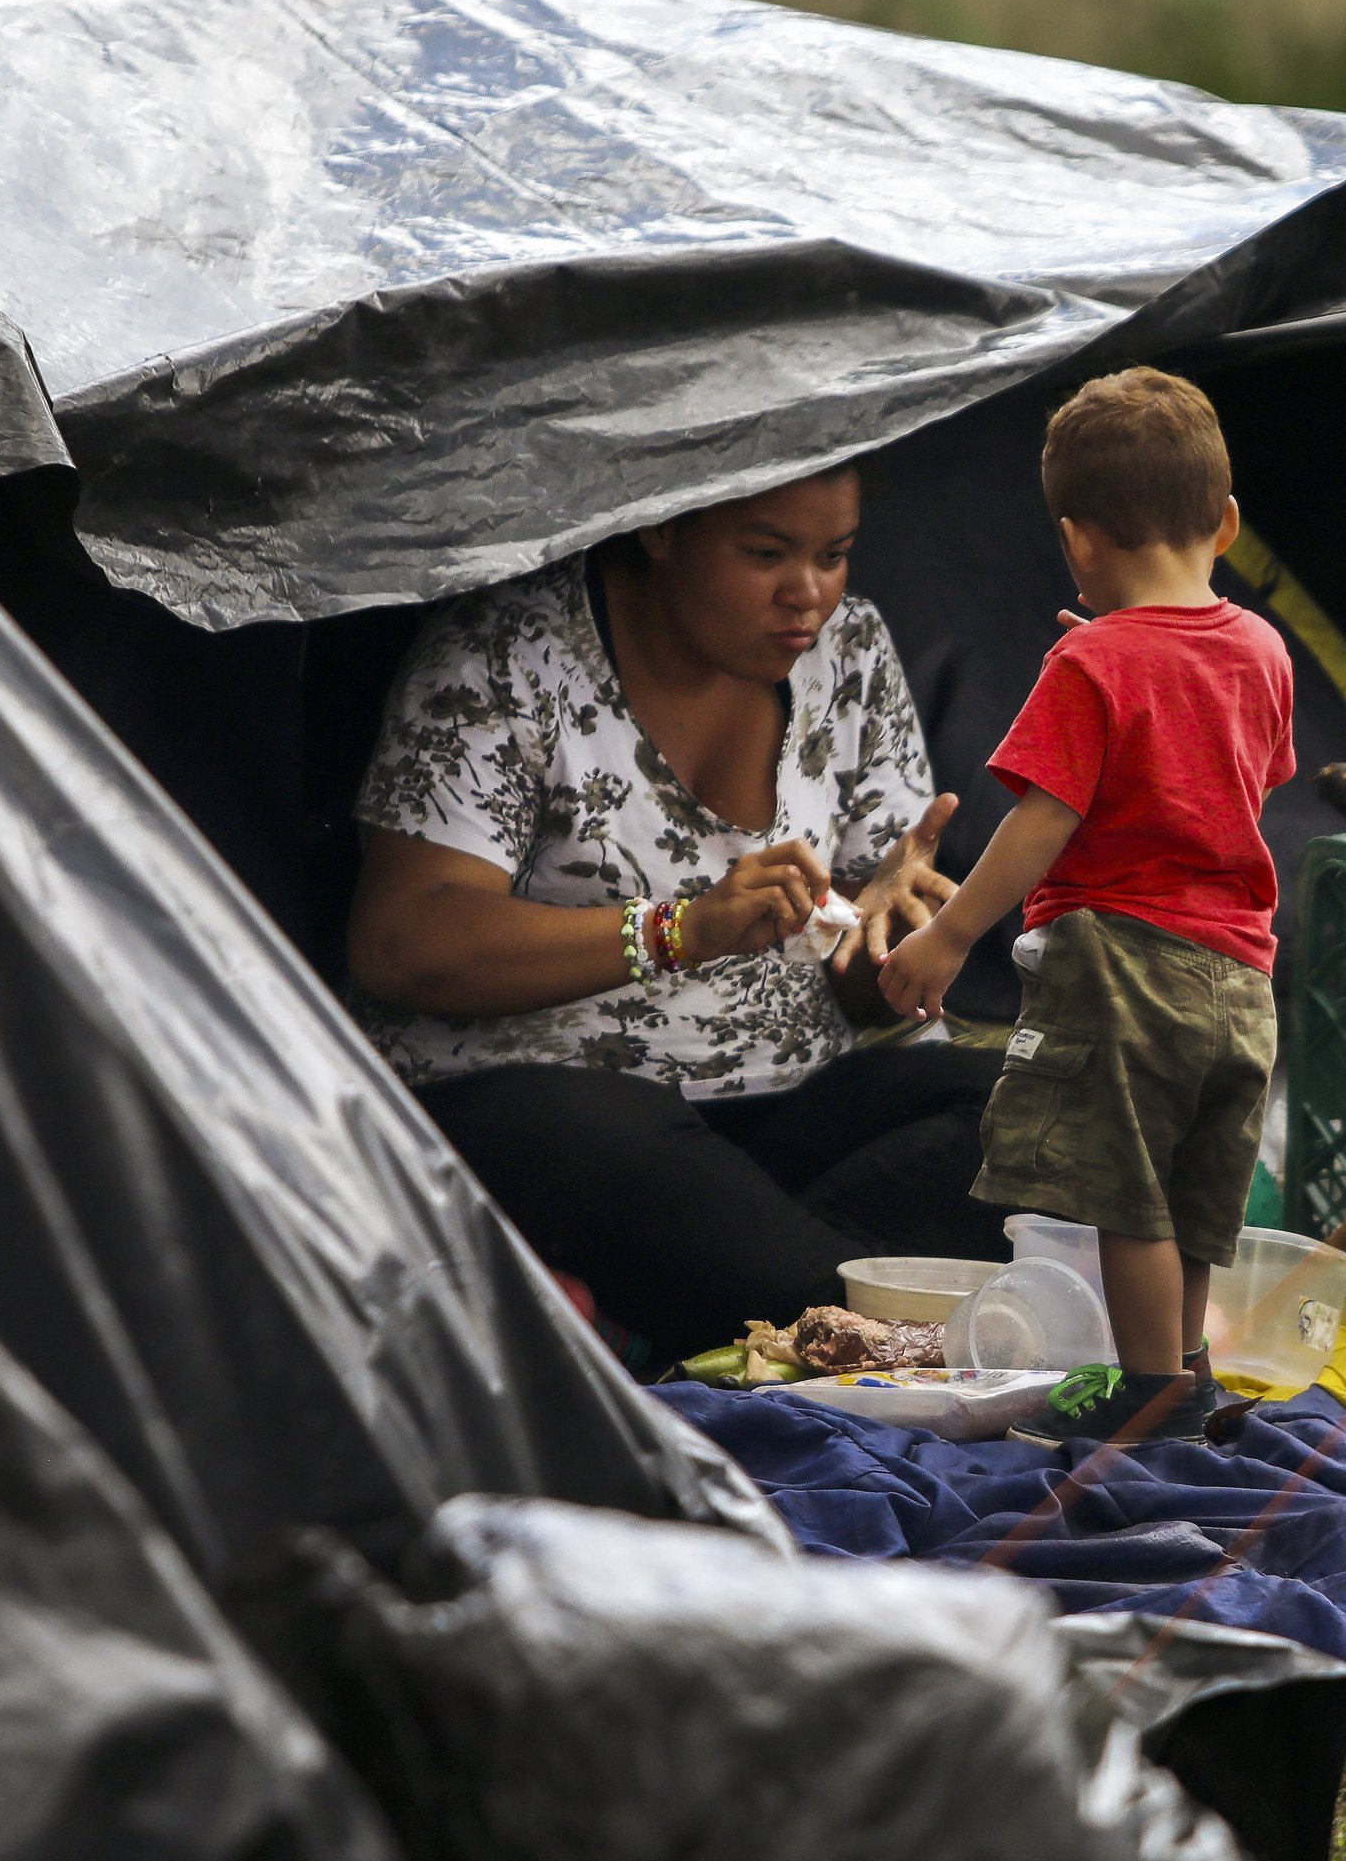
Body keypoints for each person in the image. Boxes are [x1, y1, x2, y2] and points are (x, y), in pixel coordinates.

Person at [343, 466, 1001, 1362]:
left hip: (778, 1118)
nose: (807, 593)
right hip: (565, 1114)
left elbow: (858, 982)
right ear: (662, 526)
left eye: (835, 554)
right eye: (766, 553)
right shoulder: (507, 654)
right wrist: (678, 930)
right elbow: (403, 940)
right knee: (602, 1148)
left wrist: (899, 944)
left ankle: (722, 1305)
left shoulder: (848, 651)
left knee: (1039, 1112)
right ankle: (858, 1327)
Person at [881, 369, 1293, 1446]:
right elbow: (1242, 774)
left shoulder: (1089, 659)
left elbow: (1042, 819)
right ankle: (1191, 1370)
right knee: (1201, 1188)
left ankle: (1147, 1388)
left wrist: (949, 932)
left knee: (1131, 1190)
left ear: (1077, 540)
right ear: (1228, 523)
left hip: (1126, 964)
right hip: (1244, 975)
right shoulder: (1261, 648)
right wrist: (1135, 665)